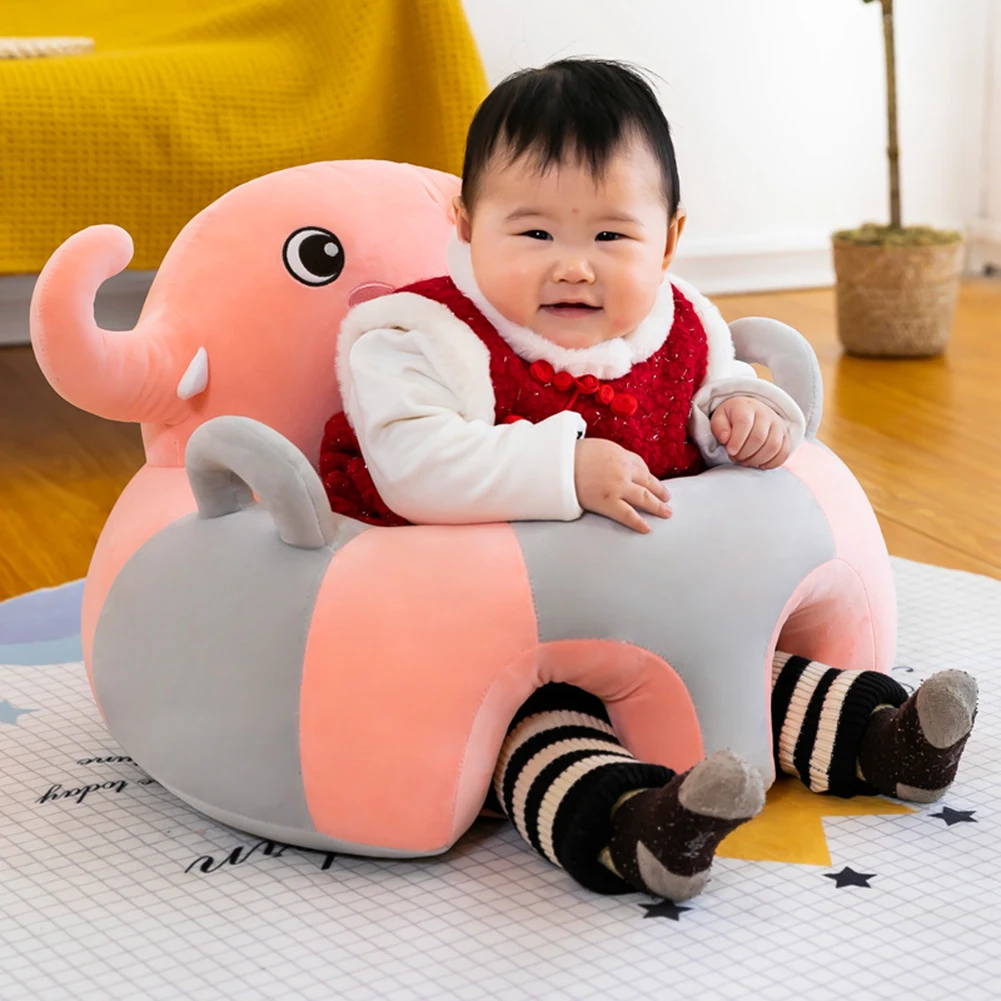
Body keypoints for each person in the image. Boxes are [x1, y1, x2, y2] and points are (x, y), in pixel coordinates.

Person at [319, 59, 978, 901]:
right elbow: (414, 466)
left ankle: (882, 740)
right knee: (542, 731)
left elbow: (708, 395)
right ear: (466, 224)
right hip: (493, 634)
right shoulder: (419, 335)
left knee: (752, 673)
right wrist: (563, 467)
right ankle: (634, 826)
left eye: (609, 237)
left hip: (654, 613)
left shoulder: (681, 320)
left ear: (666, 239)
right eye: (533, 234)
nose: (573, 266)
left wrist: (743, 412)